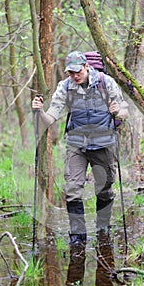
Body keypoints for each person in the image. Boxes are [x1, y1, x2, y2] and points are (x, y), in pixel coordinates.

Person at [32, 51, 127, 245]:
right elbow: (50, 118)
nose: (75, 76)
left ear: (86, 67)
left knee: (105, 189)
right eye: (71, 73)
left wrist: (118, 111)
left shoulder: (106, 82)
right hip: (77, 145)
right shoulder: (65, 87)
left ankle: (103, 229)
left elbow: (125, 111)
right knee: (73, 189)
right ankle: (77, 236)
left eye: (78, 71)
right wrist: (40, 111)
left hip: (103, 144)